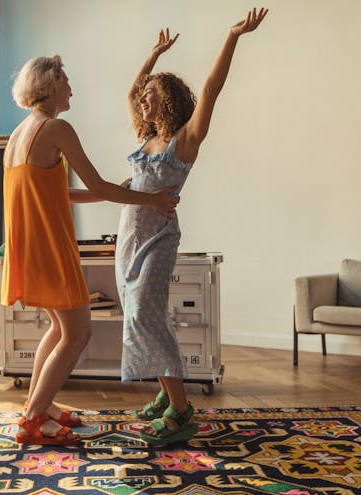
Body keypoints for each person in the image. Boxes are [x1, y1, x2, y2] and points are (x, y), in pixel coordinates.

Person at [2, 55, 179, 446]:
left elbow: (58, 193)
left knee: (60, 328)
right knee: (78, 332)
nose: (70, 87)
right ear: (49, 85)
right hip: (48, 246)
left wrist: (115, 194)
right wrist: (149, 200)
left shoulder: (20, 134)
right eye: (65, 79)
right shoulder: (56, 128)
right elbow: (97, 184)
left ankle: (39, 403)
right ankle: (32, 420)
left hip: (26, 245)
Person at [116, 7, 268, 445]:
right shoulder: (145, 137)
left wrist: (233, 36)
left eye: (150, 94)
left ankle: (181, 412)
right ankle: (168, 398)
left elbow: (211, 88)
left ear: (167, 99)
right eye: (143, 94)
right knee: (141, 318)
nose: (142, 99)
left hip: (158, 237)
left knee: (147, 315)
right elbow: (130, 91)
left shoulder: (185, 140)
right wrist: (152, 55)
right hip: (130, 234)